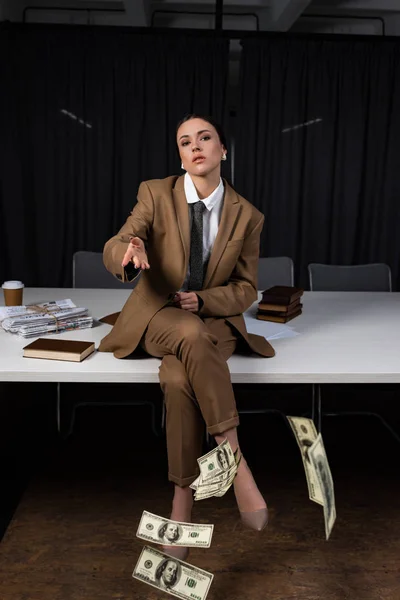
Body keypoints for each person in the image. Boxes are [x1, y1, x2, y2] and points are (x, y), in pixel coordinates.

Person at [99, 114, 275, 561]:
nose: (194, 147)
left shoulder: (247, 216)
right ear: (180, 155)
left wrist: (205, 300)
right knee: (188, 336)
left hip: (211, 323)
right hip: (158, 315)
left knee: (178, 378)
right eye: (184, 142)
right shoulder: (155, 194)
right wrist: (129, 251)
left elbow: (246, 289)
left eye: (204, 138)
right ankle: (238, 469)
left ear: (222, 150)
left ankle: (181, 506)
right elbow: (117, 242)